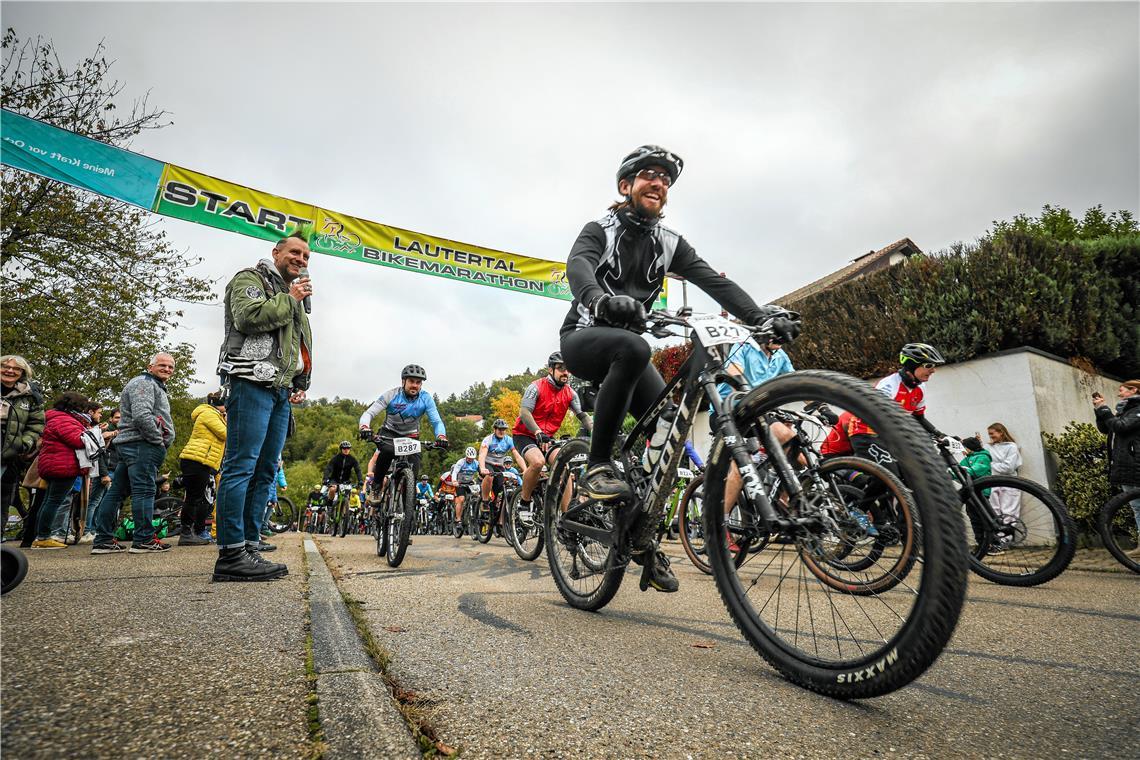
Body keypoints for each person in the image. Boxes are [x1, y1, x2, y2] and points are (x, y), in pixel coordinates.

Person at [558, 144, 799, 592]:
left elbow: (715, 282)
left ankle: (641, 536)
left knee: (670, 426)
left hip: (629, 350)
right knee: (633, 347)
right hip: (584, 338)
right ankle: (596, 465)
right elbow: (578, 267)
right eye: (650, 174)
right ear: (625, 186)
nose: (660, 183)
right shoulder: (601, 229)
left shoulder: (669, 243)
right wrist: (602, 300)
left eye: (666, 179)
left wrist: (760, 317)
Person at [211, 232, 313, 581]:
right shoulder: (250, 279)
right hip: (251, 382)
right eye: (295, 253)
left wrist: (301, 381)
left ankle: (250, 545)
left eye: (306, 256)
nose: (301, 260)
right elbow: (248, 318)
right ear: (277, 252)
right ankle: (230, 553)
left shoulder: (293, 295)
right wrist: (291, 297)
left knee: (266, 470)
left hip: (280, 390)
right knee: (242, 465)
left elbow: (298, 341)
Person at [847, 343, 948, 536]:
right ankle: (858, 510)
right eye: (928, 366)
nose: (933, 370)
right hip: (865, 432)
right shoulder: (889, 385)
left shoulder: (920, 388)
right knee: (889, 474)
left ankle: (905, 528)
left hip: (889, 435)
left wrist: (939, 434)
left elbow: (918, 418)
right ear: (911, 366)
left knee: (912, 477)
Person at [91, 353, 178, 554]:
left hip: (133, 445)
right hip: (141, 445)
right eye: (162, 365)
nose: (167, 369)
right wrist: (158, 441)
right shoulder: (144, 383)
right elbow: (141, 415)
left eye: (171, 367)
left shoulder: (152, 384)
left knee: (117, 492)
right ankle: (144, 539)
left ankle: (103, 539)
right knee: (144, 491)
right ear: (150, 366)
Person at [513, 351, 592, 519]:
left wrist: (599, 431)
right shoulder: (535, 387)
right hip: (525, 434)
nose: (565, 372)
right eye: (560, 368)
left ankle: (568, 519)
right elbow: (525, 412)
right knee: (537, 462)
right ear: (551, 370)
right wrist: (537, 431)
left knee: (564, 466)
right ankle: (524, 502)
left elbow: (583, 416)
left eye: (568, 369)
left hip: (548, 438)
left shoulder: (570, 393)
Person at [358, 364, 448, 501]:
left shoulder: (426, 398)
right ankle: (376, 486)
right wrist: (364, 427)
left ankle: (408, 506)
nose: (415, 385)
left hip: (411, 436)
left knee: (415, 468)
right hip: (389, 433)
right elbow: (369, 413)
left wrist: (441, 436)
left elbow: (436, 421)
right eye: (411, 381)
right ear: (403, 381)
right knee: (386, 452)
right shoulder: (392, 395)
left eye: (418, 382)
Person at [31, 392, 94, 548]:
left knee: (48, 501)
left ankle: (41, 536)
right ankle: (43, 537)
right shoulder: (65, 420)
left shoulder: (55, 418)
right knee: (54, 502)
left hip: (53, 464)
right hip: (63, 466)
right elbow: (78, 440)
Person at [1094, 380, 1140, 556]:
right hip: (1126, 466)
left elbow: (1121, 427)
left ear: (1133, 390)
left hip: (1135, 465)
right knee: (1136, 507)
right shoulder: (1125, 410)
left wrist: (1105, 410)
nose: (1119, 393)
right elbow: (1107, 429)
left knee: (1138, 506)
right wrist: (1099, 411)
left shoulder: (1137, 410)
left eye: (1121, 390)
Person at [1, 355, 45, 537]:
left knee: (3, 498)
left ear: (22, 373)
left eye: (16, 369)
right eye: (5, 366)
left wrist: (24, 444)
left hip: (9, 452)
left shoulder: (30, 396)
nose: (10, 370)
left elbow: (36, 425)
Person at [176, 391, 227, 546]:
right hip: (196, 460)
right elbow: (226, 434)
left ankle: (190, 532)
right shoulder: (208, 414)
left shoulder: (214, 415)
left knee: (198, 498)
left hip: (202, 461)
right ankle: (186, 533)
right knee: (193, 498)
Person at [477, 419, 526, 529]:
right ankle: (485, 501)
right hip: (487, 464)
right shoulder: (488, 439)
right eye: (500, 429)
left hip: (499, 466)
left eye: (504, 429)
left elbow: (517, 456)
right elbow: (482, 455)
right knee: (489, 476)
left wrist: (525, 469)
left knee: (504, 489)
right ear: (495, 429)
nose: (502, 431)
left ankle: (499, 518)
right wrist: (482, 468)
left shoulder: (509, 440)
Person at [984, 422, 1023, 527]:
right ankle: (998, 537)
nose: (990, 436)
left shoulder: (1012, 447)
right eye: (989, 434)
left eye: (992, 433)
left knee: (1009, 511)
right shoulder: (988, 447)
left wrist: (990, 465)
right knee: (993, 510)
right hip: (992, 482)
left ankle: (1006, 538)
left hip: (1009, 482)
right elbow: (983, 461)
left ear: (1001, 432)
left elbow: (1008, 468)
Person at [322, 441, 363, 507]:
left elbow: (357, 470)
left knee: (347, 494)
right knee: (332, 489)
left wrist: (360, 480)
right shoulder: (335, 458)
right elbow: (328, 468)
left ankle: (345, 512)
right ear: (341, 449)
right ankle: (329, 504)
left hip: (345, 481)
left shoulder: (352, 459)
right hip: (334, 480)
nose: (346, 450)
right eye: (344, 448)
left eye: (348, 448)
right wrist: (325, 479)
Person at [449, 447, 481, 530]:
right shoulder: (461, 462)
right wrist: (454, 481)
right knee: (462, 499)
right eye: (469, 458)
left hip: (470, 483)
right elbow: (455, 472)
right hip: (460, 483)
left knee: (477, 496)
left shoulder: (476, 463)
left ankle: (476, 513)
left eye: (472, 458)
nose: (470, 460)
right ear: (466, 456)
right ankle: (458, 519)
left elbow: (481, 473)